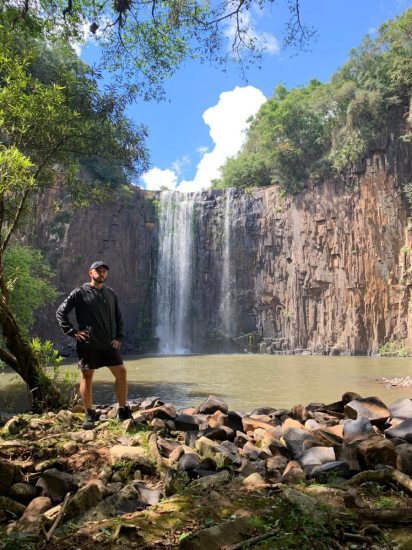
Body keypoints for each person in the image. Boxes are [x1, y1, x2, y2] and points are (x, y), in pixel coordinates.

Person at [56, 260, 132, 429]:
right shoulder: (80, 292)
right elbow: (61, 312)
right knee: (87, 377)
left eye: (104, 271)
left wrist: (119, 337)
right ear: (90, 273)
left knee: (121, 372)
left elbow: (118, 317)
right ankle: (89, 414)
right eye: (98, 271)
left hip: (108, 343)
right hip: (88, 343)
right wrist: (73, 332)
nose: (102, 273)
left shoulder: (111, 294)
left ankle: (122, 409)